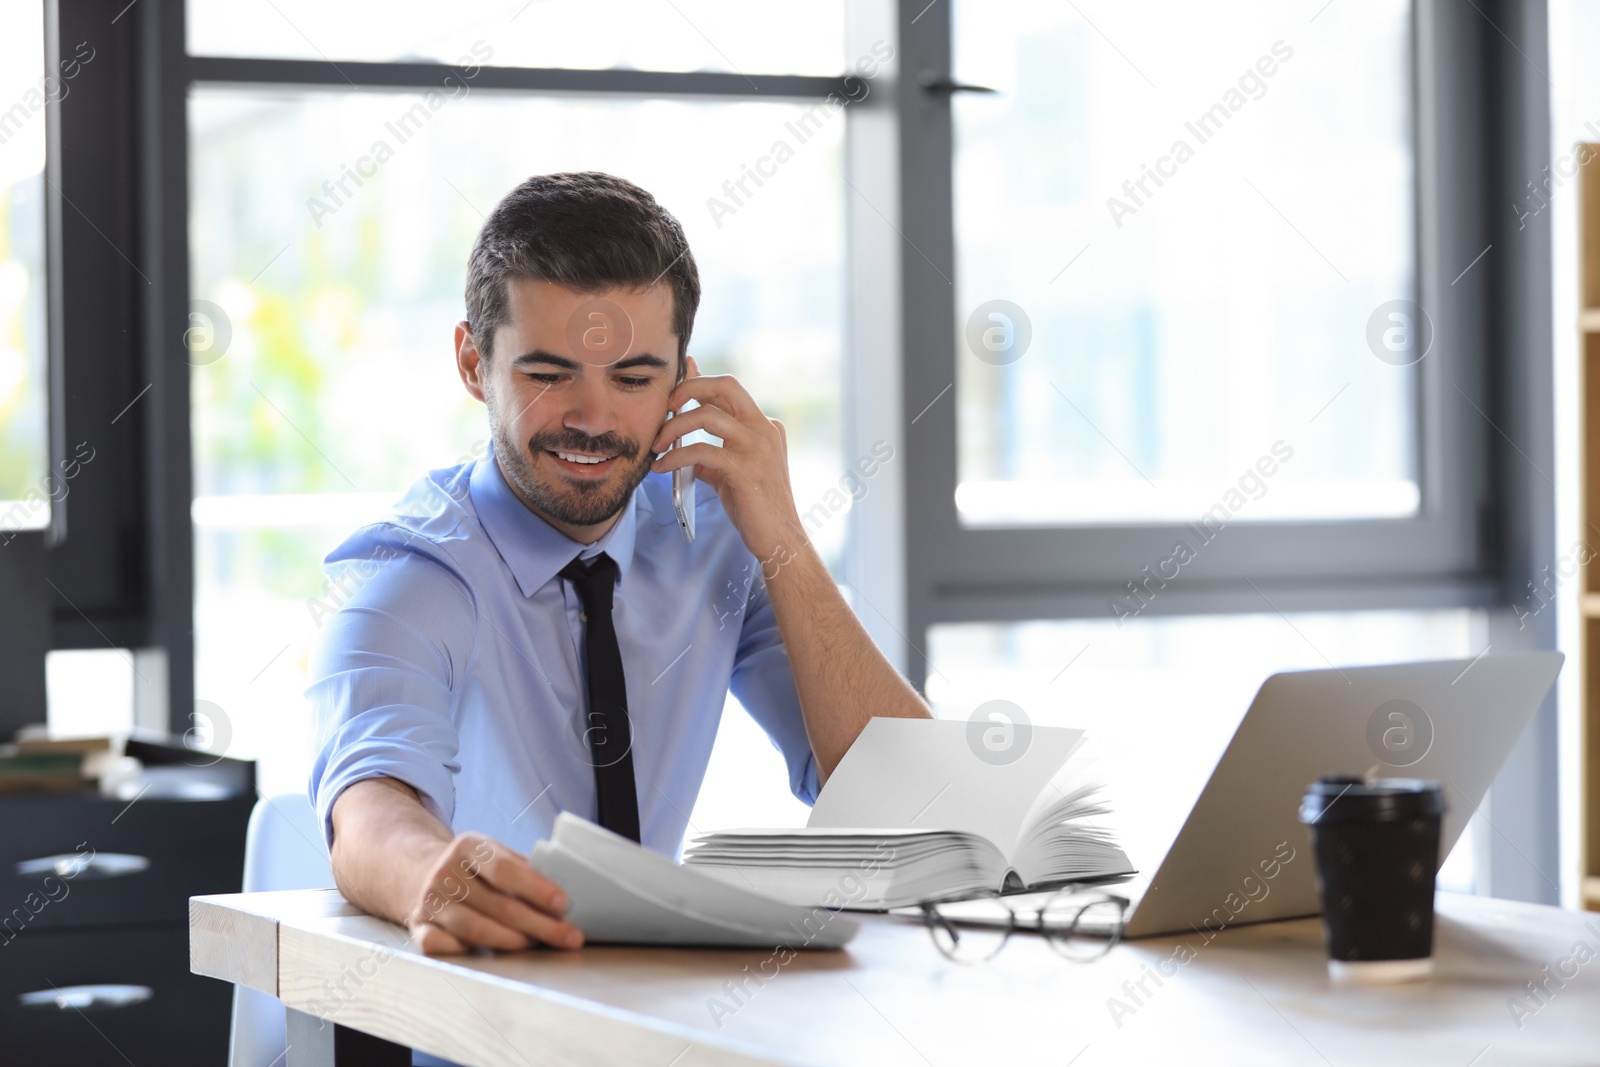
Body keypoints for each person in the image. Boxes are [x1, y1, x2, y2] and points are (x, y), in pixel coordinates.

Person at [307, 171, 930, 955]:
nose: (593, 419)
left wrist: (784, 541)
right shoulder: (412, 578)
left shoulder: (714, 541)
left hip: (649, 1013)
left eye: (634, 378)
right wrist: (432, 870)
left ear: (682, 379)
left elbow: (916, 805)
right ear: (474, 364)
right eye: (547, 373)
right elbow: (368, 807)